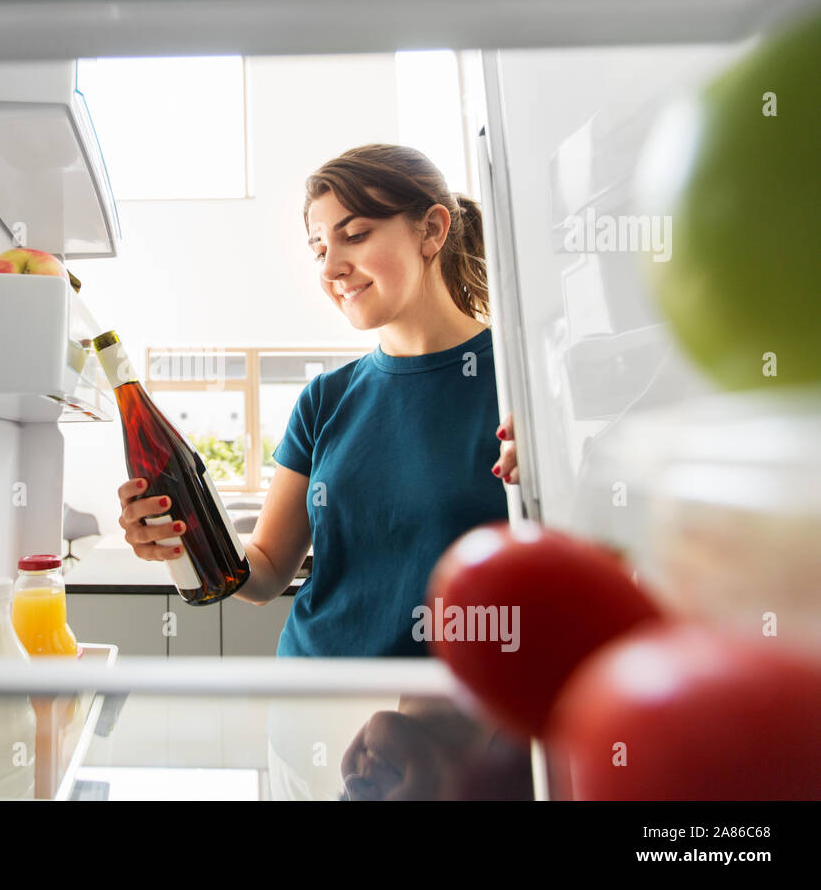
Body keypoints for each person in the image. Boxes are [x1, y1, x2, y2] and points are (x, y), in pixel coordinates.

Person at [116, 143, 521, 658]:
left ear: (433, 229)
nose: (331, 268)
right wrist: (183, 540)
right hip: (312, 699)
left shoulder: (521, 383)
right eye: (319, 250)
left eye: (354, 235)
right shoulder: (324, 400)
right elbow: (262, 574)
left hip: (458, 715)